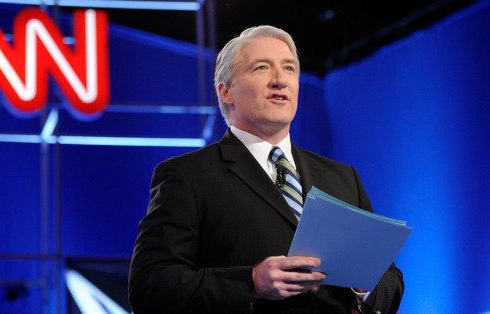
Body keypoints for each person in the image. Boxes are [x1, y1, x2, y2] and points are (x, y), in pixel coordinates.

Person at [128, 25, 404, 314]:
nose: (280, 80)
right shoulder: (188, 176)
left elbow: (389, 280)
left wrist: (364, 285)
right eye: (262, 68)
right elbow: (149, 286)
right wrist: (251, 282)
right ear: (226, 90)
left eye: (289, 68)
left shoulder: (342, 178)